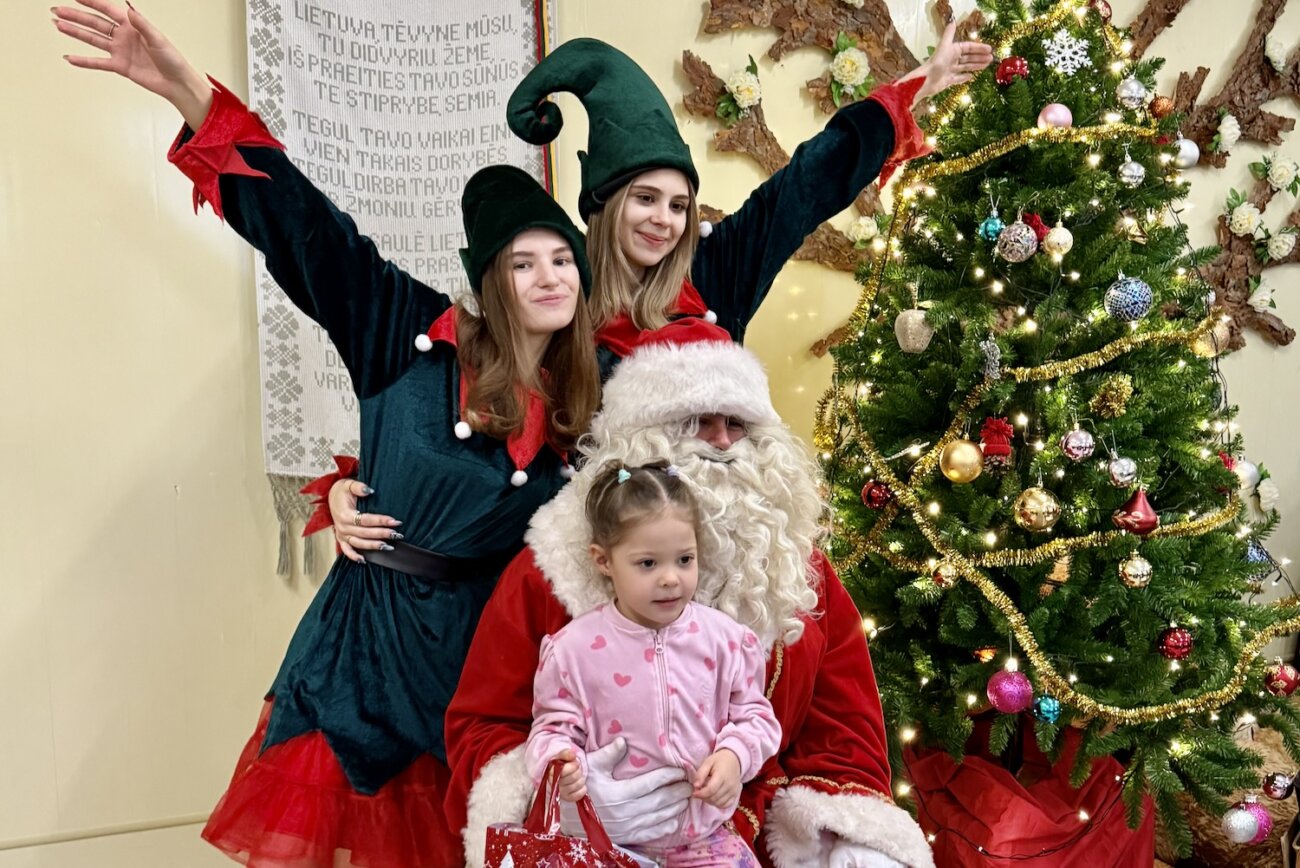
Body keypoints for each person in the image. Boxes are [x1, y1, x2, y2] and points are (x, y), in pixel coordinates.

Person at [52, 3, 600, 865]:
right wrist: (190, 94)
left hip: (483, 673)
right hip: (364, 659)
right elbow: (308, 231)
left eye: (562, 258)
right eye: (522, 262)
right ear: (488, 281)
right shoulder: (406, 334)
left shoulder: (591, 398)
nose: (548, 276)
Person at [325, 31, 992, 557]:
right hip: (598, 567)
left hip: (708, 551)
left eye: (678, 204)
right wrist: (360, 483)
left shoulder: (716, 272)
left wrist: (918, 85)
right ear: (605, 204)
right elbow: (483, 415)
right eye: (645, 198)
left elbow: (805, 187)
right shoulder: (555, 297)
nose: (664, 220)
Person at [446, 330, 935, 868]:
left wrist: (841, 831)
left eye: (737, 423)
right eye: (698, 420)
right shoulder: (552, 565)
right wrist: (569, 797)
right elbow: (483, 724)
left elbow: (842, 729)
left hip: (754, 833)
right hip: (594, 843)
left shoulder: (794, 567)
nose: (722, 441)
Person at [527, 462, 781, 866]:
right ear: (603, 560)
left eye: (684, 559)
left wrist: (735, 757)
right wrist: (560, 763)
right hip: (607, 842)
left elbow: (756, 717)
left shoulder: (726, 640)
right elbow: (551, 729)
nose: (670, 579)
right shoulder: (572, 651)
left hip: (703, 839)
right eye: (648, 563)